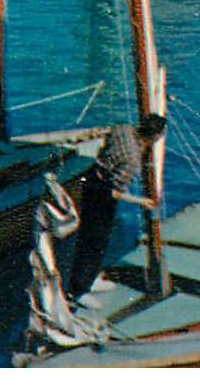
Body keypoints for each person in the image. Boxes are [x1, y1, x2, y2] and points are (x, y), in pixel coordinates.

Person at [67, 114, 166, 300]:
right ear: (155, 137)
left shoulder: (123, 128)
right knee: (96, 242)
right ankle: (79, 290)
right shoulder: (132, 160)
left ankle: (84, 281)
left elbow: (107, 136)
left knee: (87, 237)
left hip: (90, 178)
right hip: (102, 193)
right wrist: (141, 201)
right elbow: (115, 193)